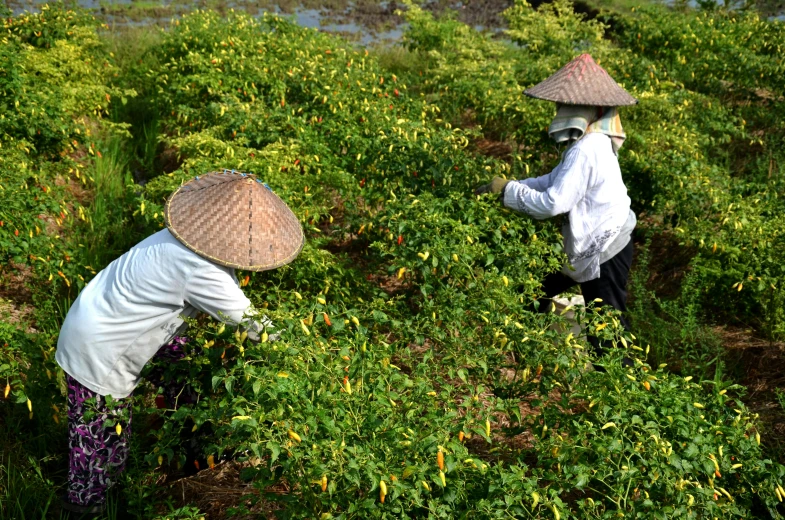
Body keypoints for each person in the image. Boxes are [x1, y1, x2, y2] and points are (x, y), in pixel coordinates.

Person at [55, 170, 305, 515]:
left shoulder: (178, 238)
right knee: (101, 442)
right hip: (100, 345)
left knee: (186, 375)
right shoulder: (201, 269)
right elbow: (254, 326)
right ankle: (85, 508)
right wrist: (302, 347)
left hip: (100, 315)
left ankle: (191, 451)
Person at [476, 54, 637, 353]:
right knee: (533, 294)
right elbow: (554, 180)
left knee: (606, 332)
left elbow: (552, 203)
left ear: (577, 110)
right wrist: (511, 186)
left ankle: (626, 395)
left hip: (605, 246)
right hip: (590, 243)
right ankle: (528, 354)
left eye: (562, 107)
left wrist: (508, 194)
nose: (557, 111)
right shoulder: (591, 141)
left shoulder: (588, 149)